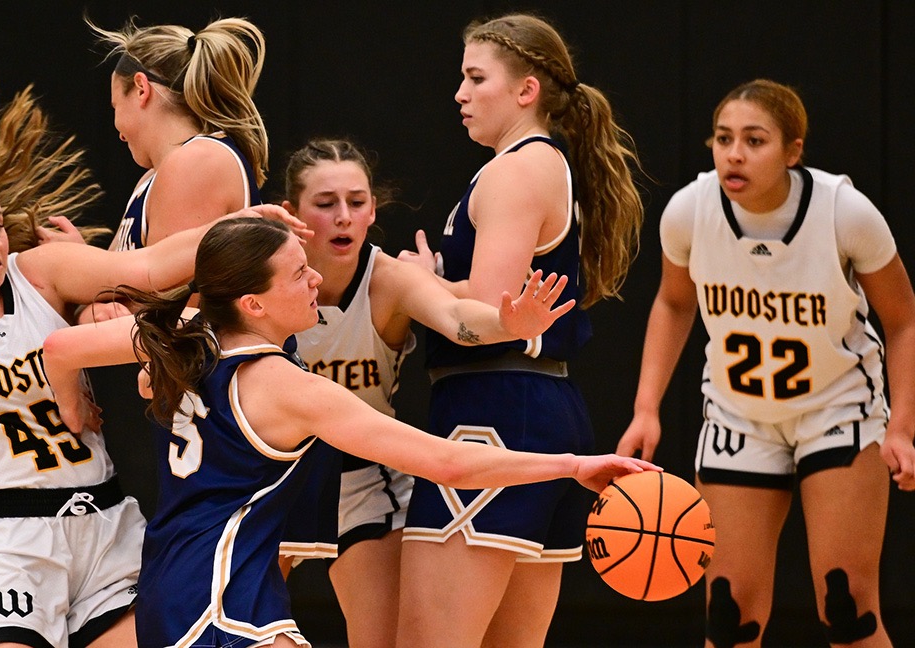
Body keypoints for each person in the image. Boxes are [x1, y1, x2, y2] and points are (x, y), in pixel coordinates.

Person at [39, 216, 659, 648]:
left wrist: (77, 411)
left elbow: (60, 348)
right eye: (297, 273)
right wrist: (572, 466)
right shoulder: (285, 387)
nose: (315, 280)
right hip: (220, 607)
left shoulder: (183, 335)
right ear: (253, 304)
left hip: (176, 594)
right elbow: (449, 465)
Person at [0, 73, 301, 648]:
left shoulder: (40, 273)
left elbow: (151, 269)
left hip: (103, 524)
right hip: (5, 540)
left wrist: (237, 226)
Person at [616, 79, 915, 648]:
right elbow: (675, 302)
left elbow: (903, 321)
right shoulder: (689, 211)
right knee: (730, 618)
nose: (734, 153)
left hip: (837, 408)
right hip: (739, 415)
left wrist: (901, 426)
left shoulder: (844, 212)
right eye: (724, 138)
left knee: (847, 607)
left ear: (793, 151)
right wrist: (645, 409)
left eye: (754, 140)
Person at [394, 13, 646, 647]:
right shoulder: (542, 165)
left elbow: (489, 314)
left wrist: (417, 282)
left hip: (491, 413)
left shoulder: (516, 169)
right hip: (544, 410)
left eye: (477, 78)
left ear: (526, 90)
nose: (460, 93)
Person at [277, 138, 573, 647]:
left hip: (358, 480)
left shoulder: (387, 281)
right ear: (292, 214)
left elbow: (458, 319)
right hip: (272, 473)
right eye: (326, 204)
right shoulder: (262, 274)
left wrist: (506, 322)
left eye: (357, 202)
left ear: (373, 210)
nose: (344, 216)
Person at [86, 14, 268, 252]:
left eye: (115, 106)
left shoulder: (198, 161)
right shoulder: (151, 178)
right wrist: (77, 254)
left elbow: (173, 289)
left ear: (141, 89)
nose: (119, 132)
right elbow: (114, 278)